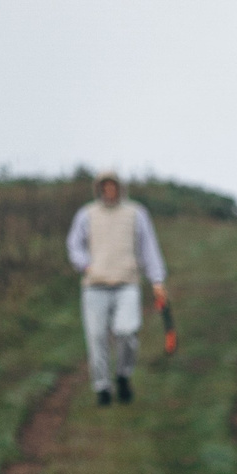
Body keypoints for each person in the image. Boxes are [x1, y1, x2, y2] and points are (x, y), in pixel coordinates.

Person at [66, 169, 168, 406]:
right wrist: (86, 265)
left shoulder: (136, 213)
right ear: (99, 189)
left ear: (120, 188)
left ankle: (123, 375)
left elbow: (148, 249)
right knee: (97, 338)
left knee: (127, 331)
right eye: (105, 186)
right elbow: (74, 245)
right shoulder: (87, 214)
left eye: (113, 186)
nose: (109, 191)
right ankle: (102, 387)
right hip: (95, 287)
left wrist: (157, 281)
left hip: (127, 284)